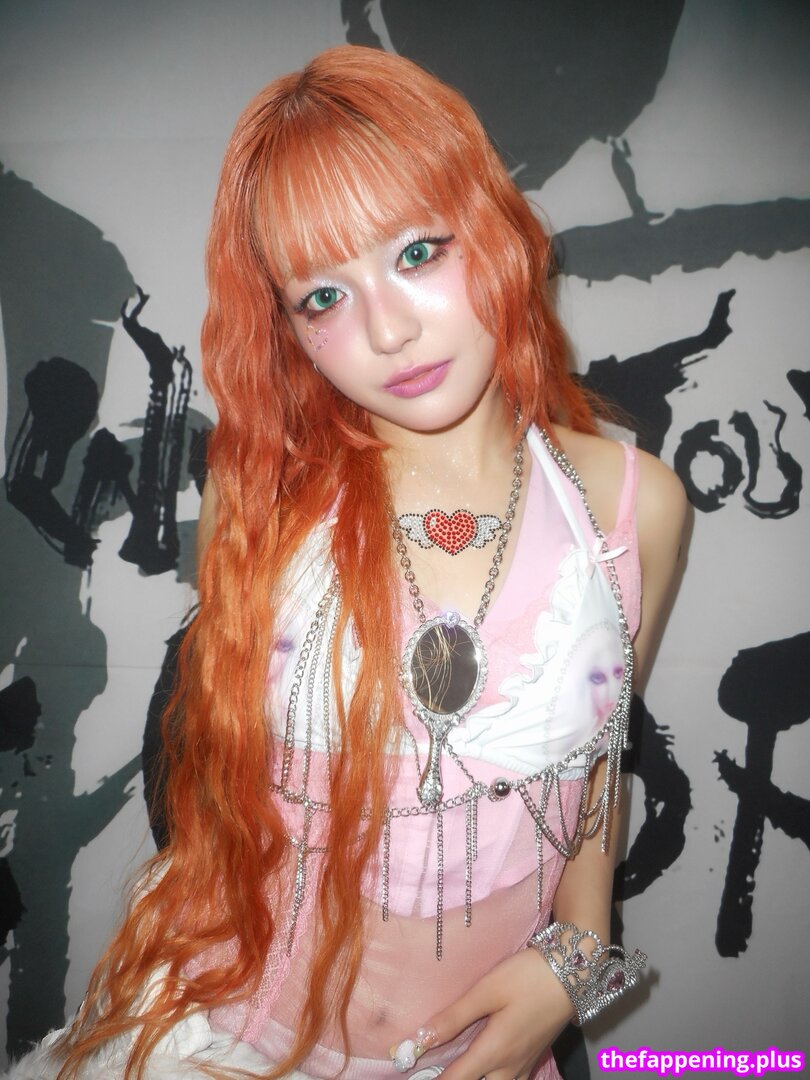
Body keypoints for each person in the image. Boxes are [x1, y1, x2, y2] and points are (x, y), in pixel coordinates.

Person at [13, 44, 687, 1080]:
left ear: (494, 227)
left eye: (418, 251)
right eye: (322, 297)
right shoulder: (269, 503)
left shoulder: (635, 507)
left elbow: (598, 761)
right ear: (288, 331)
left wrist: (580, 959)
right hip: (227, 1038)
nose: (388, 328)